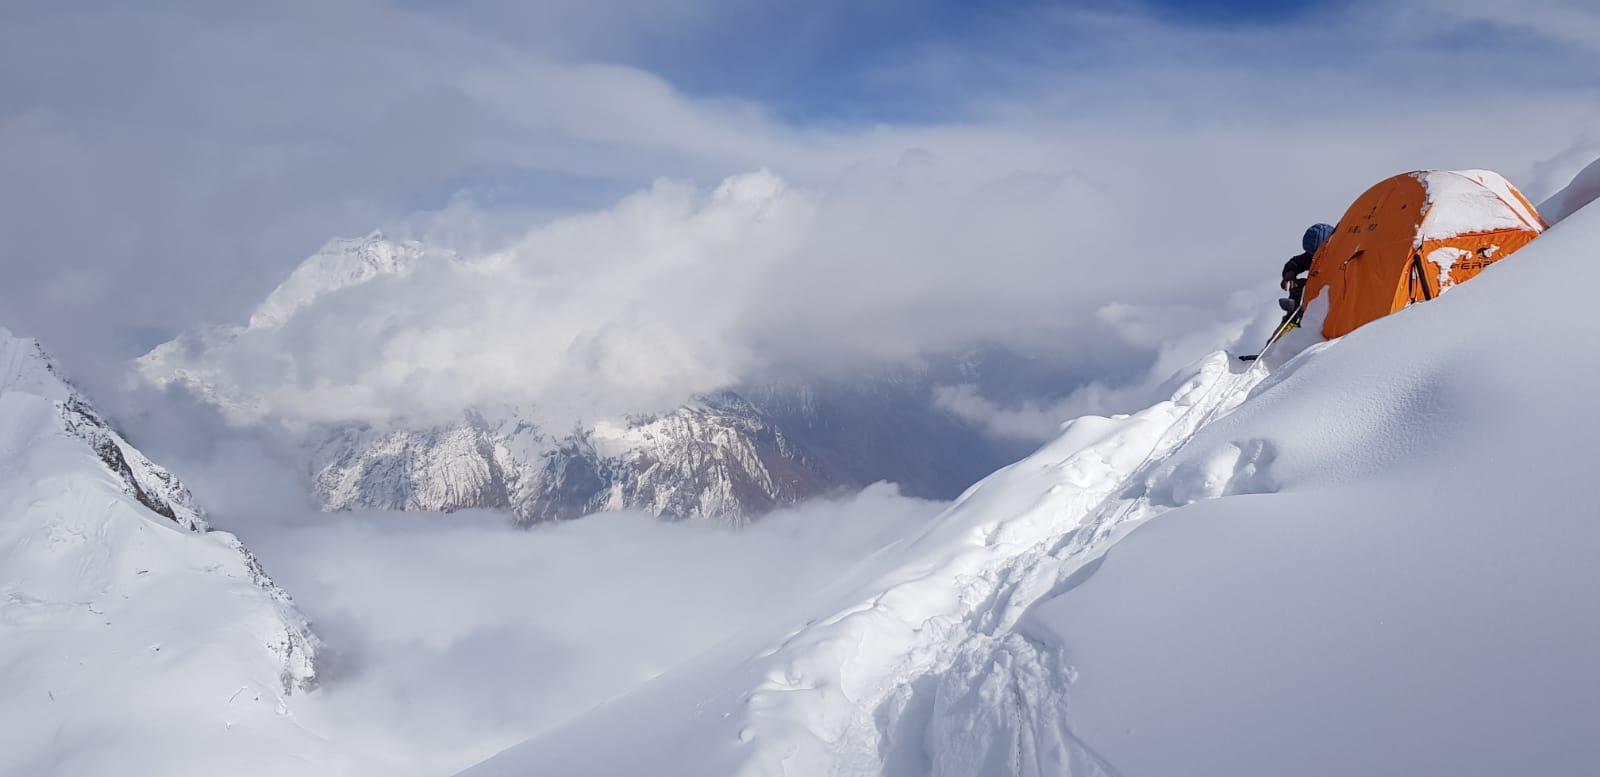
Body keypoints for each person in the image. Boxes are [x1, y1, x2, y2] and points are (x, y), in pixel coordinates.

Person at [1279, 223, 1336, 316]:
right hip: (1317, 293)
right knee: (1300, 285)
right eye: (1310, 253)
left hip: (1335, 295)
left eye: (1315, 253)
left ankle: (1301, 313)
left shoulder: (1342, 258)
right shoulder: (1313, 257)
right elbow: (1297, 262)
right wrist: (1290, 272)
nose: (1313, 256)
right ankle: (1294, 313)